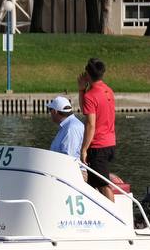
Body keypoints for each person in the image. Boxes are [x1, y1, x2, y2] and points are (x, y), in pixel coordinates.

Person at [78, 57, 118, 201]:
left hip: (98, 147)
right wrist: (82, 90)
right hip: (110, 143)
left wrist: (83, 149)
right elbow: (86, 109)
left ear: (87, 75)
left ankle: (114, 216)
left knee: (103, 185)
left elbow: (90, 124)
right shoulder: (108, 90)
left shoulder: (90, 96)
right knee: (92, 183)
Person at [46, 95, 85, 162]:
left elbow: (68, 157)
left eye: (50, 109)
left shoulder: (71, 128)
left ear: (55, 111)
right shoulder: (67, 126)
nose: (50, 113)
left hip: (72, 170)